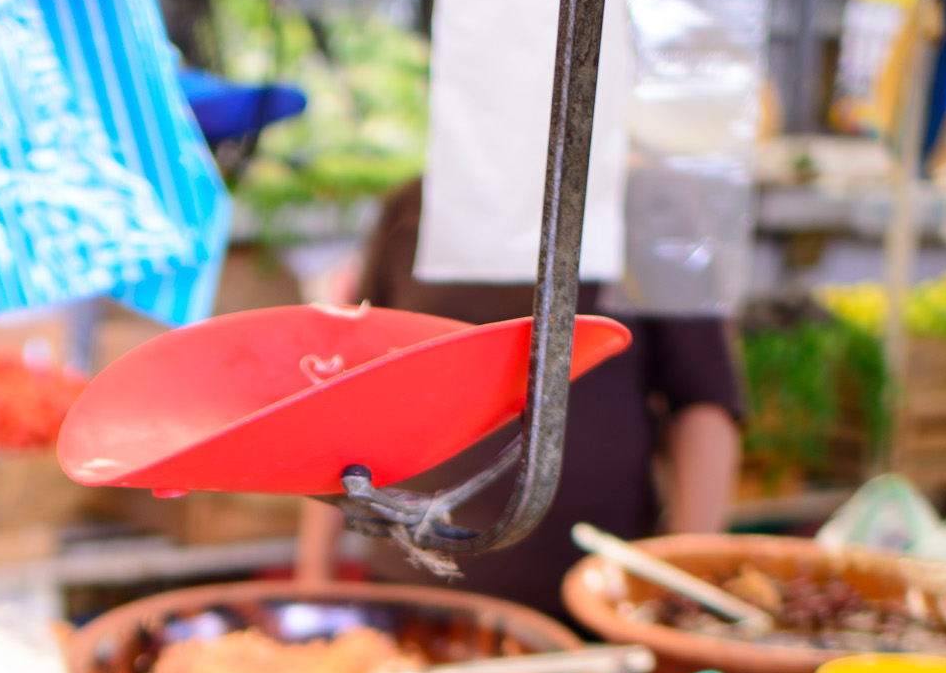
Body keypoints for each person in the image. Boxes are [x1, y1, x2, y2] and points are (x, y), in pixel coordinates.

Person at [295, 179, 744, 615]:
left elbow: (703, 399)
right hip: (413, 589)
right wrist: (313, 570)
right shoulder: (414, 203)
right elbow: (351, 387)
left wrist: (690, 578)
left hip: (598, 596)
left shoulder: (649, 206)